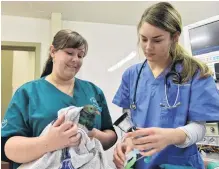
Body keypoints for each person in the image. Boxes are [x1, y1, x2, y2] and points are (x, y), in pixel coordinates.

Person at [112, 2, 219, 169]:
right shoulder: (132, 75)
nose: (148, 47)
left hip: (179, 163)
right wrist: (125, 141)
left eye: (157, 40)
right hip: (141, 163)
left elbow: (199, 128)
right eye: (143, 39)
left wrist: (171, 136)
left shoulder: (195, 73)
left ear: (174, 37)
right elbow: (128, 120)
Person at [1, 29, 117, 169]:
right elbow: (7, 148)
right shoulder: (28, 93)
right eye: (69, 53)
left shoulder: (93, 91)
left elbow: (110, 135)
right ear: (53, 52)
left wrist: (92, 134)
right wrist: (48, 142)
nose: (75, 59)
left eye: (80, 55)